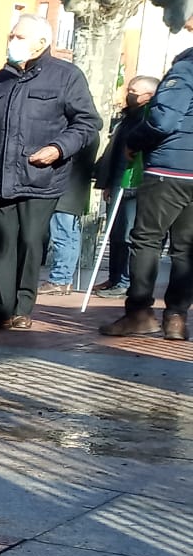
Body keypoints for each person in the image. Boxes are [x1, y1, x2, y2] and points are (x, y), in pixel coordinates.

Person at [0, 14, 102, 331]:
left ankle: (22, 308)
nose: (12, 41)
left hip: (42, 177)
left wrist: (58, 148)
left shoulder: (66, 76)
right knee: (1, 245)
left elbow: (87, 123)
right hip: (0, 177)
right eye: (12, 36)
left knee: (30, 242)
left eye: (20, 37)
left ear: (42, 43)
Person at [102, 32, 193, 341]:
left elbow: (163, 120)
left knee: (146, 241)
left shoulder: (184, 70)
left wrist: (135, 141)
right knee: (185, 250)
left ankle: (139, 313)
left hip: (169, 169)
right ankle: (176, 318)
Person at [95, 74, 157, 295]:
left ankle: (125, 281)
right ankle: (114, 278)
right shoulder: (127, 118)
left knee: (129, 234)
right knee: (115, 232)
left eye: (133, 91)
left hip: (136, 183)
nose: (128, 94)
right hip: (118, 181)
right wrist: (107, 182)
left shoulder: (150, 118)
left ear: (148, 96)